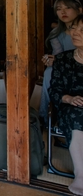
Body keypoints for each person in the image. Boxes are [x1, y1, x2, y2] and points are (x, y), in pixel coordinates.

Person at [49, 14, 83, 195]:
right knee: (76, 115)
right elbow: (54, 91)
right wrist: (68, 98)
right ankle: (82, 175)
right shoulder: (63, 59)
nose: (75, 33)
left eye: (82, 30)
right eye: (74, 28)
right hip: (68, 108)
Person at [40, 0, 82, 119]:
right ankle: (46, 115)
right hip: (66, 66)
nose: (63, 12)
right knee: (49, 72)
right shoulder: (56, 34)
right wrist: (51, 60)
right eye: (59, 9)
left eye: (67, 8)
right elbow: (58, 54)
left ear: (78, 10)